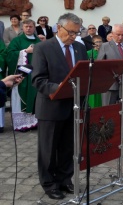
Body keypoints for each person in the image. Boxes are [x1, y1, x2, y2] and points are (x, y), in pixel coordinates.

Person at [32, 13, 88, 200]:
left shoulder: (80, 48)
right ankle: (49, 184)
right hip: (51, 107)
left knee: (67, 148)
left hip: (73, 107)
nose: (73, 36)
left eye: (76, 32)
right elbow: (38, 80)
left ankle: (65, 179)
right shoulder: (43, 48)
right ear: (58, 27)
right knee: (48, 150)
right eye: (70, 32)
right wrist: (60, 89)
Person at [97, 23, 123, 145]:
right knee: (107, 110)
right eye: (118, 34)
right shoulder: (105, 46)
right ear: (112, 34)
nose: (120, 37)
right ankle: (106, 135)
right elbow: (99, 64)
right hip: (110, 84)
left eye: (122, 34)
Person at [7, 19, 42, 131]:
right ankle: (22, 124)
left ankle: (34, 122)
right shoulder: (17, 41)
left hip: (36, 75)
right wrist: (25, 52)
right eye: (26, 26)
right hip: (22, 76)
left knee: (35, 98)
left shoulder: (39, 42)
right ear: (22, 27)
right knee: (21, 97)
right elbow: (10, 55)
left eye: (30, 26)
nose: (28, 28)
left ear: (34, 27)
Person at [86, 35, 103, 108]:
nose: (99, 43)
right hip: (93, 77)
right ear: (93, 43)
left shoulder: (104, 52)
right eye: (97, 42)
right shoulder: (89, 53)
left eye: (100, 41)